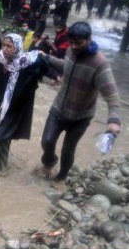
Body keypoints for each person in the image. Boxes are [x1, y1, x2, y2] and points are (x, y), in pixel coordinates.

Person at [39, 22, 121, 186]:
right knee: (47, 141)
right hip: (59, 108)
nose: (74, 47)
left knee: (68, 150)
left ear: (89, 39)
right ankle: (49, 162)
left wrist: (114, 120)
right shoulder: (70, 50)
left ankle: (60, 178)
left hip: (80, 117)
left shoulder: (100, 63)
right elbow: (67, 66)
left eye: (79, 43)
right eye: (72, 42)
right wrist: (48, 58)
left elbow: (111, 95)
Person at [0, 34, 54, 172]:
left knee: (2, 134)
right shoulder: (0, 60)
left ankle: (0, 169)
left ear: (17, 47)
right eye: (4, 45)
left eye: (9, 46)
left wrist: (56, 76)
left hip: (14, 107)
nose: (5, 49)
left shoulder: (28, 62)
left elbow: (45, 67)